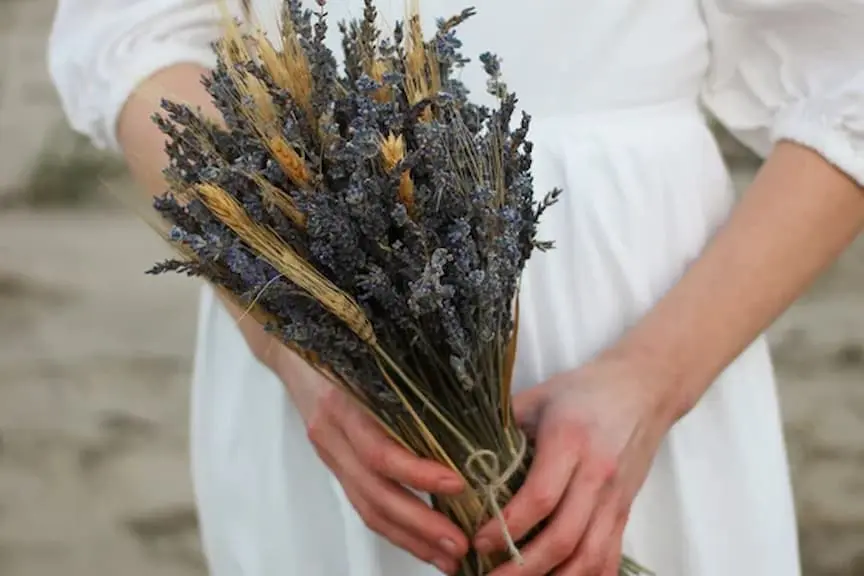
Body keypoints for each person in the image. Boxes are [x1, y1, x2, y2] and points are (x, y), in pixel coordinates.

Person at [48, 0, 864, 574]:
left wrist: (653, 381)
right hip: (317, 322)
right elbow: (139, 35)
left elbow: (848, 77)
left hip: (653, 312)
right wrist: (292, 339)